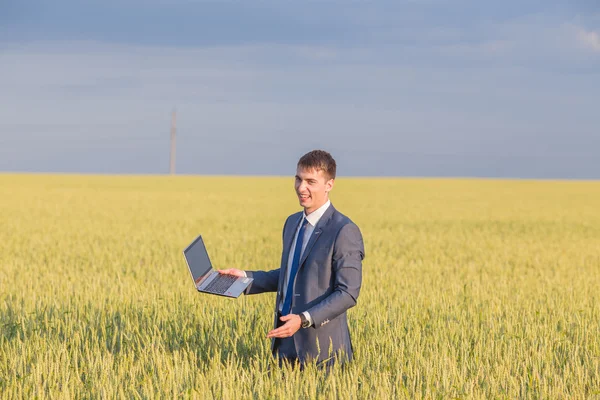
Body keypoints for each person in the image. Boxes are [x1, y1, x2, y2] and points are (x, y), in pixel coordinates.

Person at [219, 150, 365, 368]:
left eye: (310, 181)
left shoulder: (344, 230)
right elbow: (292, 274)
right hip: (284, 344)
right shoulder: (292, 223)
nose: (301, 187)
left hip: (322, 351)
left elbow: (347, 293)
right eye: (298, 179)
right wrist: (245, 278)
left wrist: (304, 318)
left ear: (329, 185)